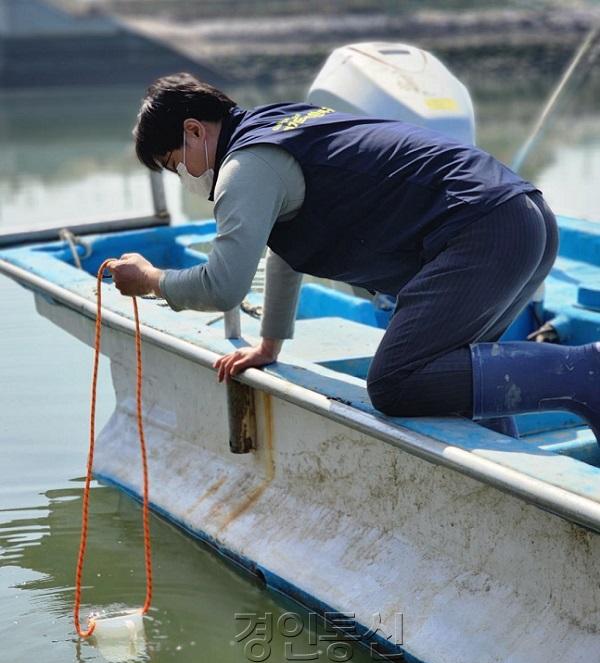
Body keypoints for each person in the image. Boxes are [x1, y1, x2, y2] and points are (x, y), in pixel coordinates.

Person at [107, 72, 600, 441]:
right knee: (465, 372)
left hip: (480, 230)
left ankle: (585, 373)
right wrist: (270, 345)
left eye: (175, 165)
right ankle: (513, 477)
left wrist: (152, 279)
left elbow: (224, 286)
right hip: (522, 215)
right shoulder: (277, 125)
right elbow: (288, 246)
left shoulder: (245, 166)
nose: (183, 178)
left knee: (396, 383)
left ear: (194, 132)